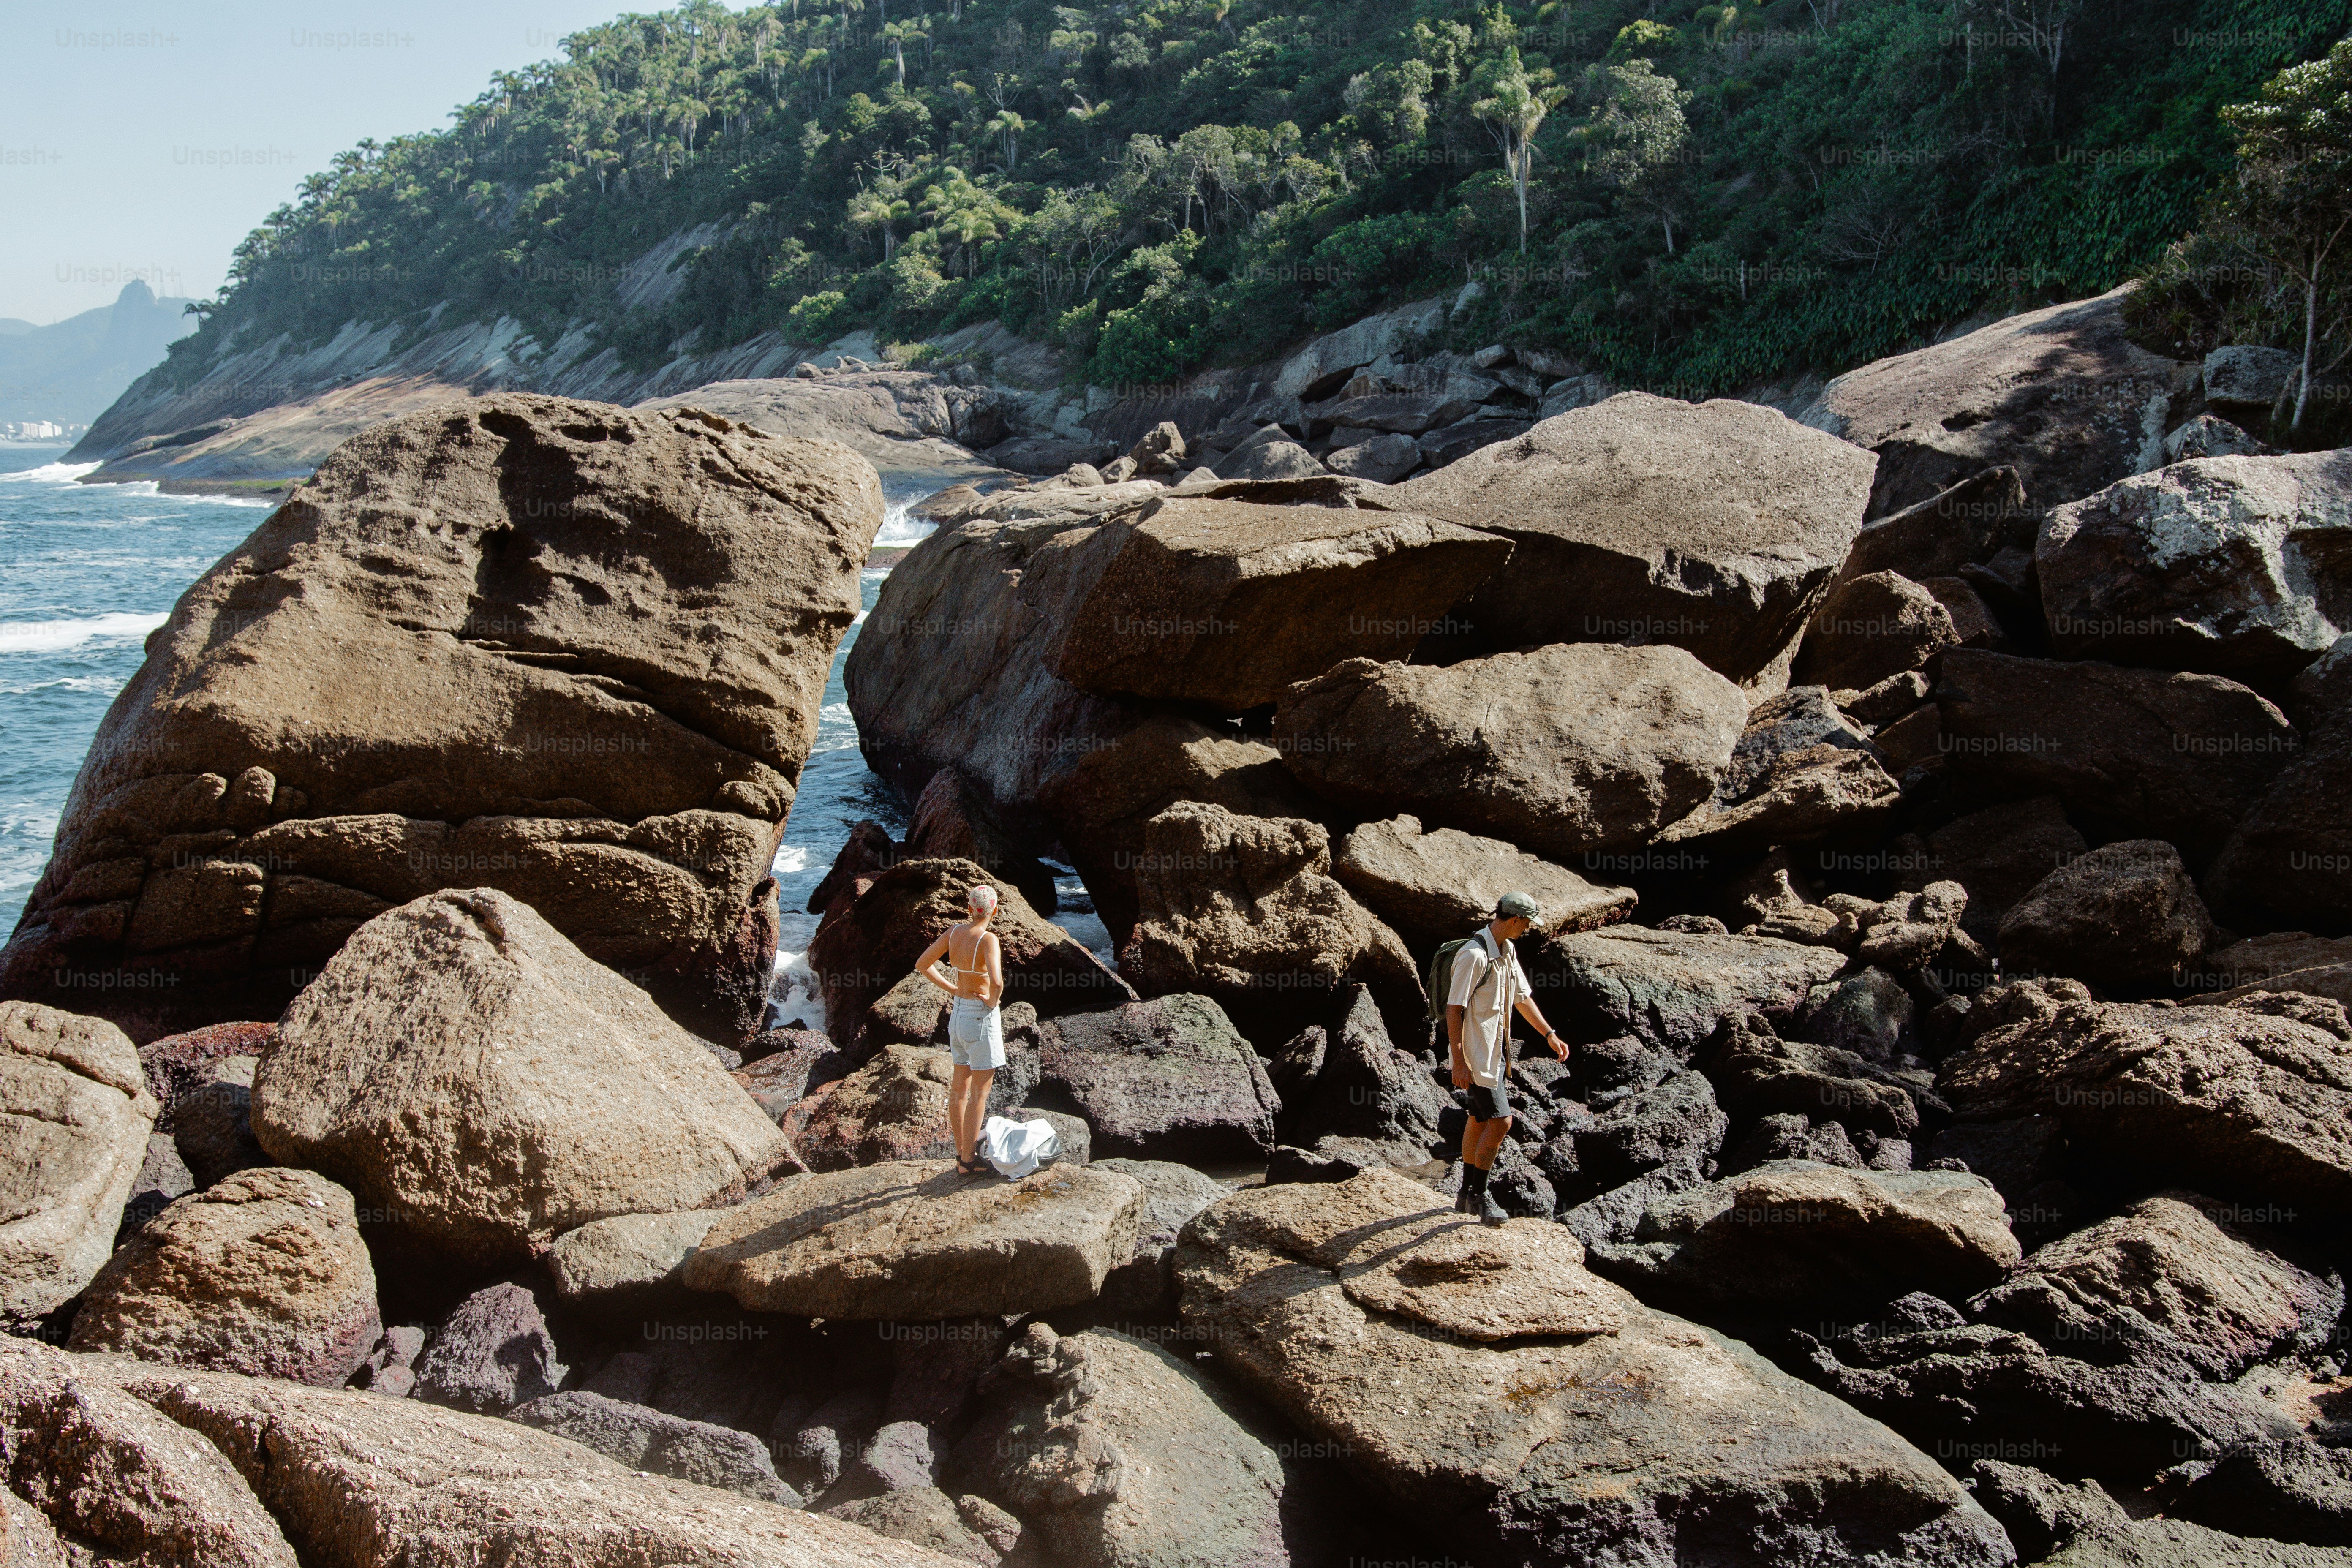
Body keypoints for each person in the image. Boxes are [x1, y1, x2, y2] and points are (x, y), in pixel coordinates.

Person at [1445, 890, 1570, 1225]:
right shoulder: (1474, 956)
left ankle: (1464, 1194)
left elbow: (1522, 998)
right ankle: (1480, 1195)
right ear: (1515, 919)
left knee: (1479, 1118)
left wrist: (1549, 1034)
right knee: (1502, 1121)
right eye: (1527, 923)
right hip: (1477, 1058)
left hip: (1496, 1053)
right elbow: (1453, 1010)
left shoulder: (1507, 950)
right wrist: (1459, 1062)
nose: (1528, 928)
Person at [915, 884, 1006, 1177]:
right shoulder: (988, 939)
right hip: (980, 1017)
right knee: (980, 1092)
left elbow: (923, 964)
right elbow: (997, 982)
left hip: (958, 1014)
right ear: (994, 910)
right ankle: (969, 1160)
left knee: (960, 1088)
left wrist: (953, 989)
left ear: (969, 908)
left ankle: (961, 1154)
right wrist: (993, 1001)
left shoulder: (954, 933)